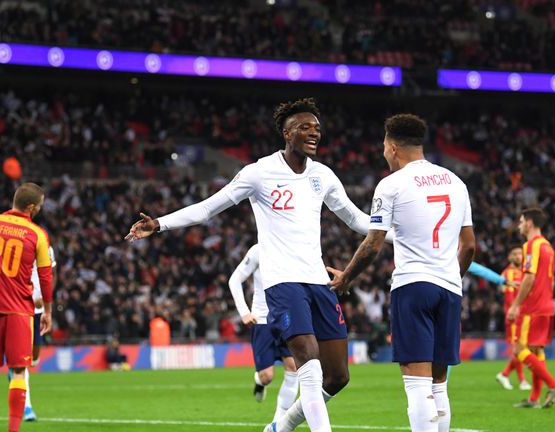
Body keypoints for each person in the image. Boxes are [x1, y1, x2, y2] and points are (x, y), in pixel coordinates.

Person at [126, 98, 380, 432]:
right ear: (287, 134)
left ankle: (280, 426)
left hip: (319, 281)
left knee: (338, 377)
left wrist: (400, 233)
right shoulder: (259, 173)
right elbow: (208, 208)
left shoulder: (323, 176)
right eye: (305, 127)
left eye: (317, 128)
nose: (314, 133)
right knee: (310, 365)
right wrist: (160, 223)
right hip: (282, 283)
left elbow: (358, 221)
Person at [329, 114, 476, 432]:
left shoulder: (391, 185)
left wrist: (346, 277)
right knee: (439, 384)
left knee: (416, 382)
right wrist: (452, 275)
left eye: (383, 146)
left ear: (393, 147)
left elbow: (372, 243)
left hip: (413, 286)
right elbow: (469, 247)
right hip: (449, 288)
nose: (383, 152)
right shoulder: (456, 182)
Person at [0, 182, 53, 432]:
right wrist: (47, 311)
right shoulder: (37, 234)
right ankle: (13, 429)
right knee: (18, 370)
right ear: (32, 207)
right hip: (19, 310)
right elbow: (45, 277)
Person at [228, 244, 298, 422]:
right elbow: (234, 280)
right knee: (267, 377)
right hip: (262, 320)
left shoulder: (293, 247)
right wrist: (244, 312)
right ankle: (259, 382)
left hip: (286, 319)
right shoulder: (258, 251)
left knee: (293, 367)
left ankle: (278, 422)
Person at [506, 208, 555, 409]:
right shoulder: (548, 246)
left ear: (530, 223)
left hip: (533, 307)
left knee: (519, 348)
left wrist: (515, 305)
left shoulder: (531, 245)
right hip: (546, 304)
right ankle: (534, 398)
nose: (519, 225)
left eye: (521, 221)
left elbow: (529, 277)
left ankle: (553, 385)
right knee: (536, 350)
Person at [22, 244, 56, 421]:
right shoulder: (15, 243)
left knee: (34, 359)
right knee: (22, 360)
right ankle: (26, 405)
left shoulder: (45, 246)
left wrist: (46, 300)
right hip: (19, 307)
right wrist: (28, 296)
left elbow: (52, 275)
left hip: (39, 310)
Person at [494, 246, 531, 391]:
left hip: (523, 314)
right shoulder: (508, 273)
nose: (518, 257)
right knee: (518, 348)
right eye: (514, 254)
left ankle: (507, 375)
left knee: (520, 348)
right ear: (509, 257)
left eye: (520, 254)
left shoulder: (523, 272)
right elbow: (509, 296)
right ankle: (520, 380)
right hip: (514, 315)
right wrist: (514, 310)